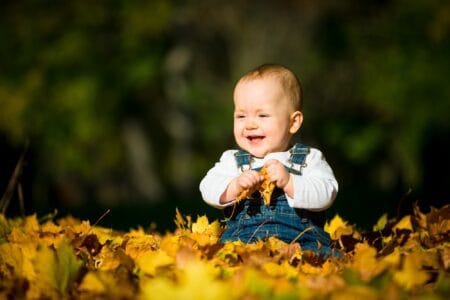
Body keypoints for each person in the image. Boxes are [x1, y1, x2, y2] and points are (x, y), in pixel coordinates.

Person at [199, 64, 338, 257]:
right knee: (225, 257)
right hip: (244, 243)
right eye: (240, 116)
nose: (249, 124)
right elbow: (207, 187)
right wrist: (234, 185)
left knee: (326, 258)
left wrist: (290, 182)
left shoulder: (308, 158)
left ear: (293, 122)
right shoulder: (232, 160)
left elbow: (327, 193)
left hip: (302, 243)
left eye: (262, 115)